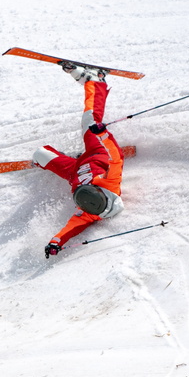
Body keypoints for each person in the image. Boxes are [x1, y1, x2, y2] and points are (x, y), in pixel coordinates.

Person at [32, 65, 127, 258]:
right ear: (101, 192)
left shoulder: (89, 212)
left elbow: (72, 226)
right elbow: (116, 158)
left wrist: (55, 242)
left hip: (74, 170)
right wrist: (102, 135)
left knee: (39, 153)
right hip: (98, 151)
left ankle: (50, 158)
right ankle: (95, 81)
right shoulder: (111, 182)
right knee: (89, 120)